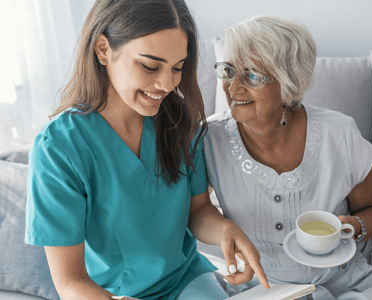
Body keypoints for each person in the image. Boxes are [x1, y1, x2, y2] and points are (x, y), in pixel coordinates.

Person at [24, 1, 270, 299]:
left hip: (185, 280)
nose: (166, 84)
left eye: (177, 67)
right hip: (110, 294)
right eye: (150, 66)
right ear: (103, 50)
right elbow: (70, 281)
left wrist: (225, 232)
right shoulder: (58, 148)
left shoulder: (179, 122)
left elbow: (199, 210)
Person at [204, 13, 372, 299]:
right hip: (257, 286)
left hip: (347, 282)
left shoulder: (339, 134)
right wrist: (224, 233)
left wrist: (354, 227)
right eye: (229, 71)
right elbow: (196, 209)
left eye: (253, 75)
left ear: (290, 86)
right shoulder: (209, 137)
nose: (233, 88)